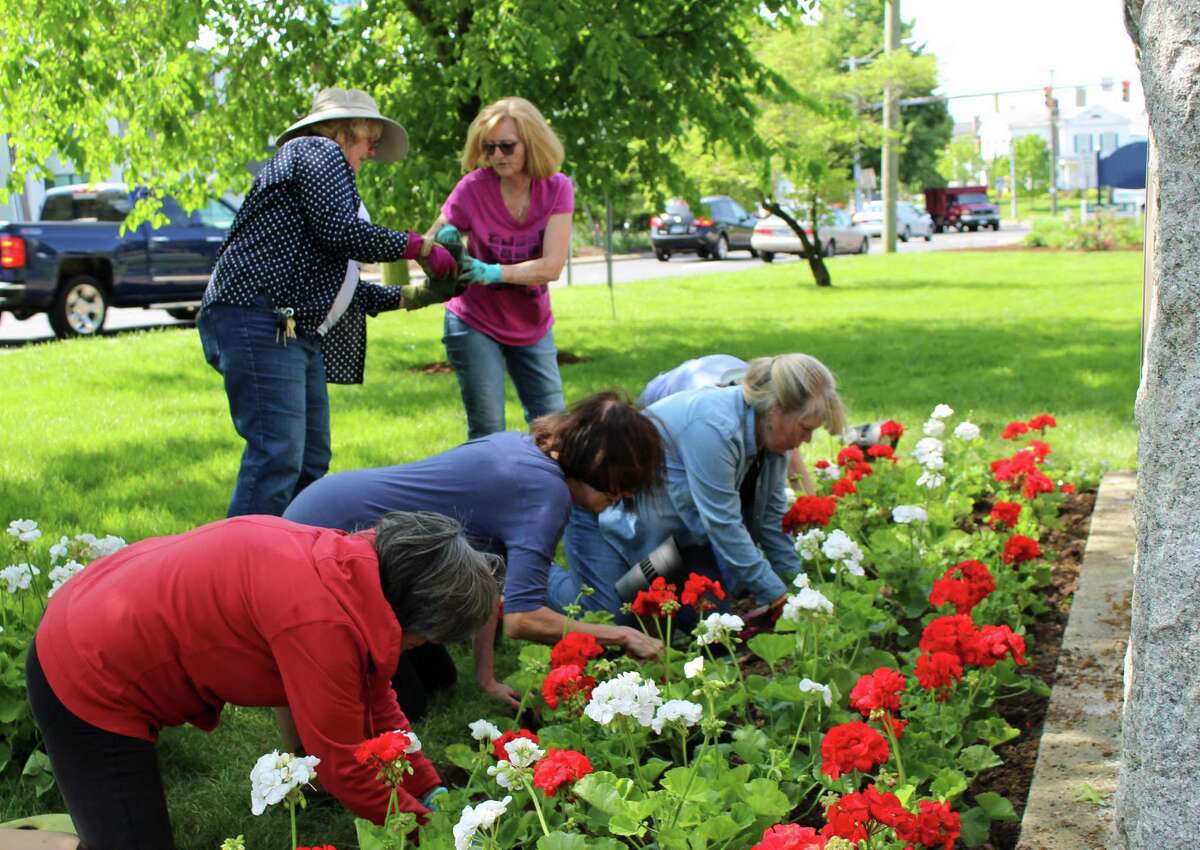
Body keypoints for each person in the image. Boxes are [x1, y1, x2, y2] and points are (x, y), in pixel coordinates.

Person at [22, 512, 499, 850]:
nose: (419, 648)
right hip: (86, 667)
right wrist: (435, 835)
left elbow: (375, 699)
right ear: (408, 611)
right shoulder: (321, 624)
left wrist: (431, 788)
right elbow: (342, 766)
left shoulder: (351, 569)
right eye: (426, 637)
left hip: (97, 608)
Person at [283, 391, 666, 720]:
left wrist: (486, 678)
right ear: (597, 461)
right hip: (322, 545)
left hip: (344, 524)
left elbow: (488, 571)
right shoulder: (545, 495)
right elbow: (523, 619)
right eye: (623, 483)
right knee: (407, 706)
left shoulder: (525, 449)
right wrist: (619, 634)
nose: (626, 495)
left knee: (440, 681)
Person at [198, 87, 458, 518]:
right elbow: (340, 231)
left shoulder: (327, 178)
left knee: (310, 460)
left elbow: (345, 291)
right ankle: (236, 573)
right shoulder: (317, 150)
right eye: (368, 141)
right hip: (259, 314)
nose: (371, 153)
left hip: (290, 326)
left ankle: (288, 562)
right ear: (345, 131)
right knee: (277, 456)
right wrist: (420, 247)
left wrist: (416, 296)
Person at [551, 354, 847, 620]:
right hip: (599, 510)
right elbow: (723, 525)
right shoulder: (714, 426)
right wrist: (780, 598)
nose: (807, 440)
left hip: (667, 541)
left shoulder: (772, 442)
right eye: (806, 428)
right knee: (609, 616)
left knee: (709, 618)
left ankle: (633, 587)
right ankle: (526, 576)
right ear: (776, 410)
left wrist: (799, 591)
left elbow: (770, 522)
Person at [427, 97, 573, 439]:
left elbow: (551, 267)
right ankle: (487, 492)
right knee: (488, 430)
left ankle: (550, 493)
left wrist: (492, 272)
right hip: (475, 319)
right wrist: (444, 248)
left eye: (507, 146)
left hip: (532, 323)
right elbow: (432, 241)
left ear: (532, 144)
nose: (497, 156)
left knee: (555, 430)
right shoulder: (474, 187)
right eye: (489, 148)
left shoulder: (556, 188)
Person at [640, 354, 816, 496]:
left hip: (720, 369)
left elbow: (789, 452)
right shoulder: (710, 421)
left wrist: (811, 507)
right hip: (664, 394)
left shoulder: (763, 401)